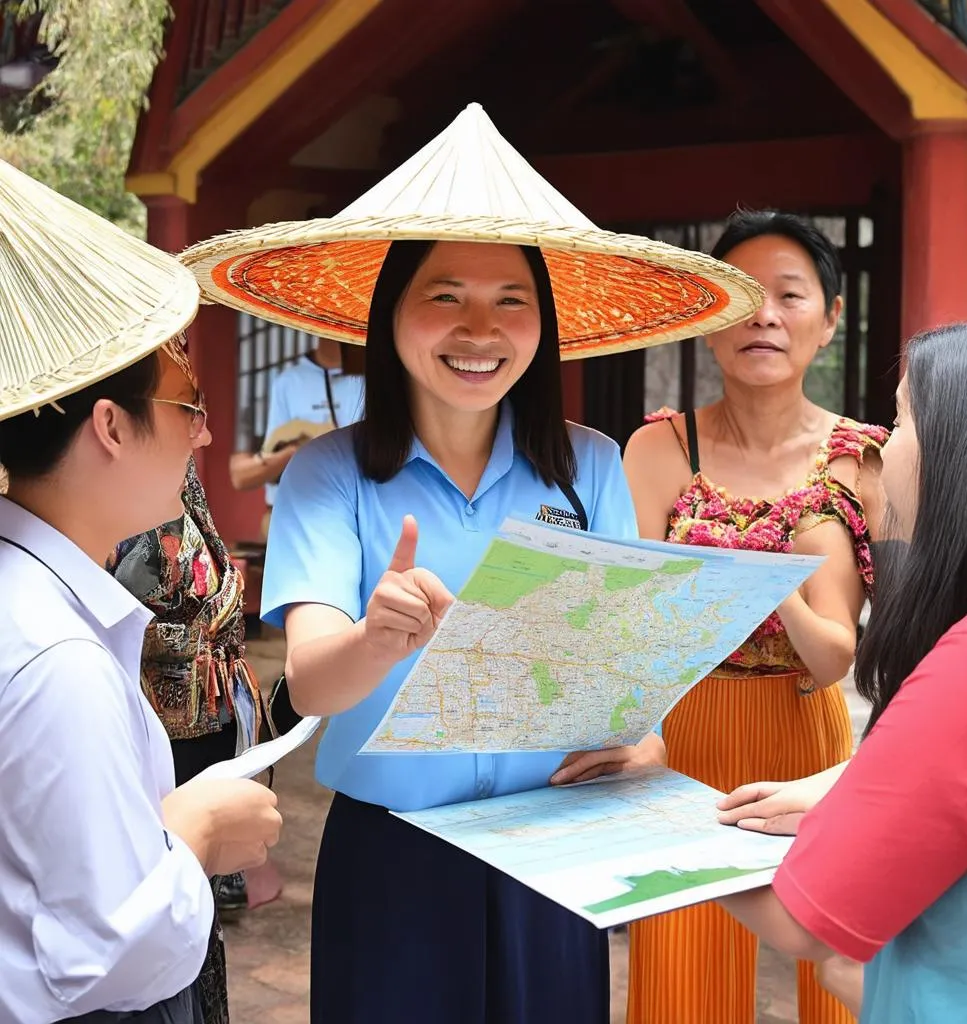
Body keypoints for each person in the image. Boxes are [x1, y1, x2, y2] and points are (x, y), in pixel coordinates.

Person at [179, 103, 762, 1024]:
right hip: (395, 854)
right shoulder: (335, 474)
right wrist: (376, 639)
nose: (478, 330)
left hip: (553, 848)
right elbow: (314, 680)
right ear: (391, 316)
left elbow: (622, 678)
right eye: (444, 296)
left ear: (544, 326)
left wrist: (642, 741)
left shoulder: (592, 465)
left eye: (509, 301)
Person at [0, 158, 281, 1023]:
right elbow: (110, 957)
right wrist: (194, 837)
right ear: (111, 426)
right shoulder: (58, 659)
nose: (202, 435)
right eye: (187, 402)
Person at [712, 319, 967, 1022]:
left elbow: (804, 924)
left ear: (961, 455)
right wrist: (852, 781)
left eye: (901, 419)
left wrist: (650, 837)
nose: (882, 445)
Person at [622, 210, 888, 1024]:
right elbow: (629, 618)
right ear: (707, 315)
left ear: (831, 317)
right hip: (684, 736)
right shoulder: (659, 448)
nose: (764, 316)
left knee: (837, 971)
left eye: (789, 295)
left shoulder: (862, 459)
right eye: (741, 296)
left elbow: (859, 646)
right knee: (681, 974)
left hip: (811, 740)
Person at [107, 456, 271, 1023]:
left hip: (207, 719)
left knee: (194, 918)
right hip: (154, 732)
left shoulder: (180, 470)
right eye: (187, 409)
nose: (201, 429)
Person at [229, 337, 364, 539]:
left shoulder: (369, 380)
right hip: (297, 516)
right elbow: (253, 466)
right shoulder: (288, 382)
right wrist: (299, 448)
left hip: (354, 514)